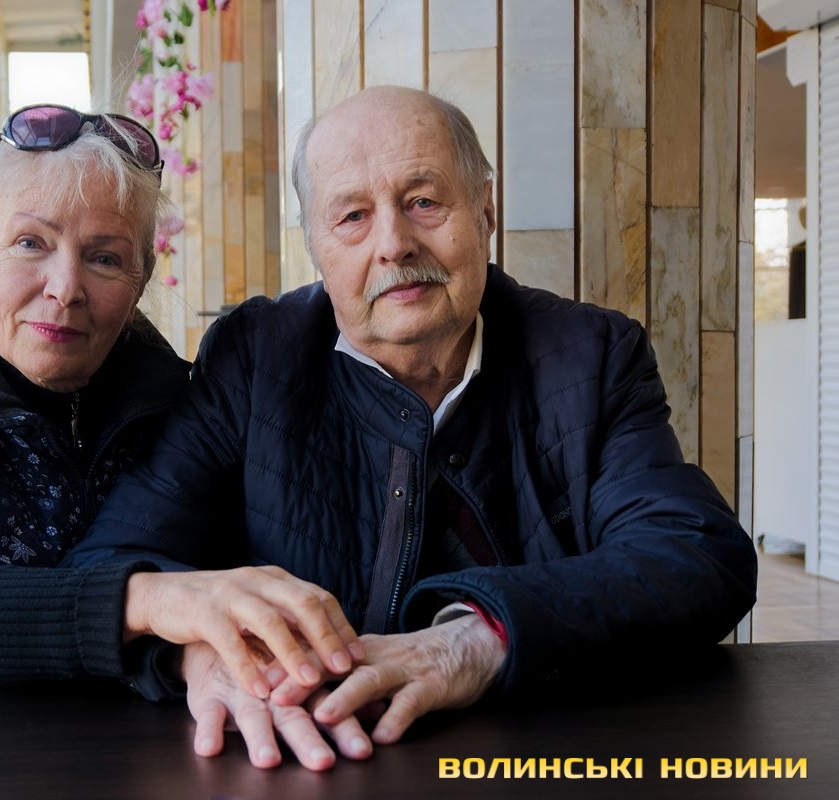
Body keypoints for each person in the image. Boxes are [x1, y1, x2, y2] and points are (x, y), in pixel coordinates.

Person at [69, 86, 759, 769]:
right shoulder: (255, 357)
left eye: (424, 202)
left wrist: (478, 638)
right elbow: (112, 563)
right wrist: (196, 651)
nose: (395, 245)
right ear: (315, 245)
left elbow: (695, 554)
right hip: (303, 762)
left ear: (486, 209)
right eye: (352, 217)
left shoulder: (590, 355)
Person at [0, 103, 362, 702]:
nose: (66, 288)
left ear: (141, 278)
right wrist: (141, 599)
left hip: (101, 732)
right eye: (30, 243)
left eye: (104, 258)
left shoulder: (186, 403)